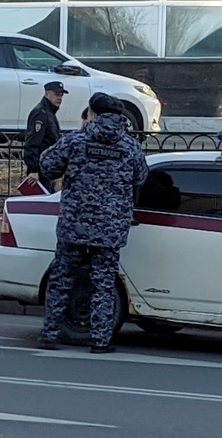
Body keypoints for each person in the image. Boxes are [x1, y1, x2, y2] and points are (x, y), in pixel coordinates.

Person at [37, 92, 149, 353]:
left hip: (74, 224)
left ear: (92, 114)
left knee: (62, 280)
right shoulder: (130, 146)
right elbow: (141, 178)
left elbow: (48, 166)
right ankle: (100, 341)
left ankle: (51, 335)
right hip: (110, 229)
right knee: (104, 284)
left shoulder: (76, 141)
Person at [23, 81, 66, 192]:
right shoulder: (41, 113)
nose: (60, 98)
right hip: (41, 169)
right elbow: (32, 142)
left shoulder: (49, 113)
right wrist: (33, 169)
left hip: (47, 167)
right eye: (57, 94)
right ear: (47, 94)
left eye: (61, 95)